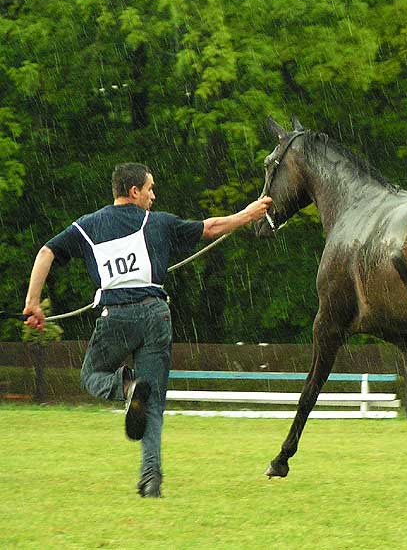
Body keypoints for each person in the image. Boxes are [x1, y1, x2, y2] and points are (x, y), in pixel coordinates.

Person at [23, 162, 272, 498]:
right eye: (150, 189)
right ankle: (150, 478)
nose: (154, 196)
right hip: (156, 315)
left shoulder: (86, 227)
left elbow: (46, 251)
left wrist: (33, 302)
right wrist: (249, 213)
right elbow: (211, 228)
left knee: (91, 375)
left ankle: (126, 388)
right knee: (153, 401)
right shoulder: (158, 224)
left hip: (115, 318)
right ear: (134, 191)